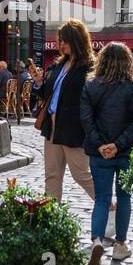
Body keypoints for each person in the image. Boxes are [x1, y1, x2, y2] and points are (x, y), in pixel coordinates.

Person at [79, 43, 133, 265]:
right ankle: (120, 244)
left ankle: (97, 241)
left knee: (101, 199)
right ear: (128, 62)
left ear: (102, 60)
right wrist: (117, 145)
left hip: (99, 153)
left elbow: (86, 120)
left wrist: (101, 145)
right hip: (126, 152)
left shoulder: (90, 87)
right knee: (125, 197)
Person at [38, 19, 97, 203]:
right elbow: (48, 92)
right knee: (52, 174)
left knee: (81, 174)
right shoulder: (58, 65)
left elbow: (91, 99)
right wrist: (40, 83)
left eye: (65, 40)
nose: (61, 44)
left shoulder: (89, 67)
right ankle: (51, 218)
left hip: (73, 126)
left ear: (77, 40)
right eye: (60, 40)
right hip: (52, 124)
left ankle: (108, 204)